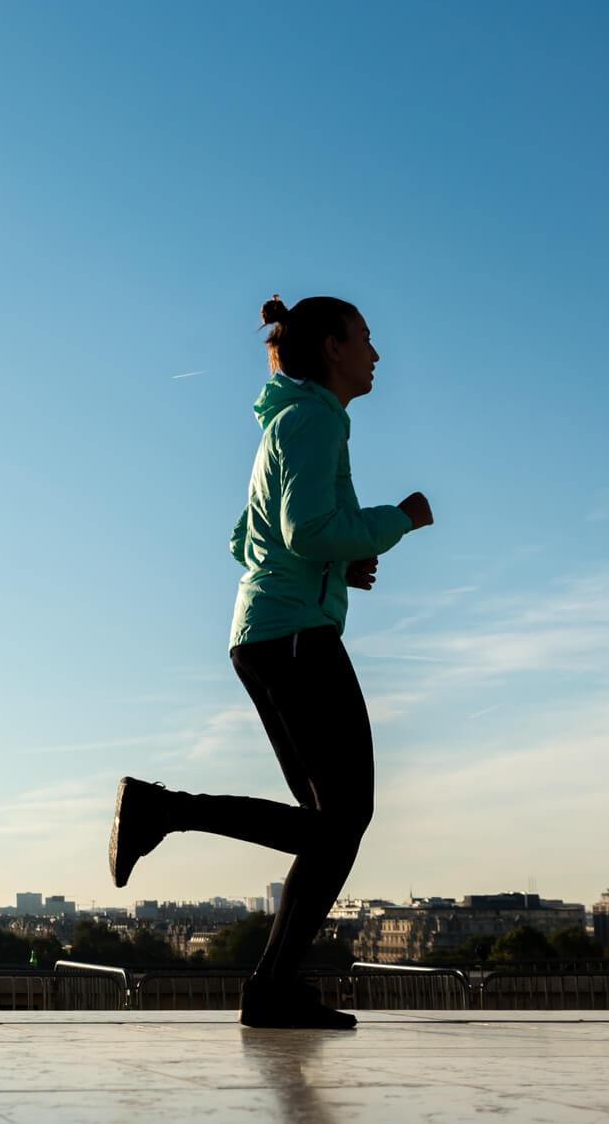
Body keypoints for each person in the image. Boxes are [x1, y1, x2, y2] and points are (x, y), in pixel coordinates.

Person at [107, 294, 433, 1030]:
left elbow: (244, 540)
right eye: (367, 339)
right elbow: (310, 527)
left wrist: (334, 569)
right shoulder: (314, 418)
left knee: (333, 825)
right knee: (342, 821)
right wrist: (395, 523)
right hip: (294, 637)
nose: (378, 354)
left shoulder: (287, 423)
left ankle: (272, 988)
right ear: (331, 348)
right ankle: (164, 809)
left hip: (273, 630)